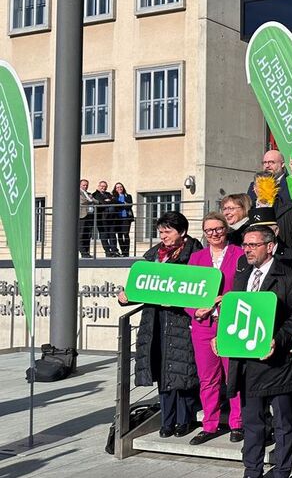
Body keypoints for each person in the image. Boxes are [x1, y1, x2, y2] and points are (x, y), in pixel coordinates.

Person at [227, 225, 292, 478]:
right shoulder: (243, 275)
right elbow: (235, 311)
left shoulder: (289, 276)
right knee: (252, 422)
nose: (247, 250)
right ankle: (251, 471)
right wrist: (223, 337)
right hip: (246, 363)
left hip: (277, 363)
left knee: (283, 423)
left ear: (270, 246)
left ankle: (282, 471)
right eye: (245, 245)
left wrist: (278, 339)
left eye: (253, 245)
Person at [117, 211, 203, 438]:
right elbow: (143, 287)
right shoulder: (155, 256)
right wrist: (126, 296)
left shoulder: (196, 254)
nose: (163, 236)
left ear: (182, 232)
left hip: (182, 320)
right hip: (156, 322)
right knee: (163, 372)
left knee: (183, 373)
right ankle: (167, 420)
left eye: (168, 231)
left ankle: (184, 419)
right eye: (160, 231)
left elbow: (200, 288)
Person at [185, 212, 246, 445]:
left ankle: (237, 423)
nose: (214, 233)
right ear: (204, 232)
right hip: (204, 325)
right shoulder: (197, 258)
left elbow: (248, 288)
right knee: (208, 378)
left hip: (230, 323)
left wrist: (227, 299)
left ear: (226, 229)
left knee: (233, 375)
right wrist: (194, 311)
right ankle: (209, 424)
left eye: (218, 228)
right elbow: (186, 294)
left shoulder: (240, 254)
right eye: (209, 230)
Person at [93, 180, 121, 257]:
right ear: (98, 187)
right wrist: (108, 201)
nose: (103, 188)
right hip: (102, 218)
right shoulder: (95, 194)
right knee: (104, 235)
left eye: (105, 187)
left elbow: (116, 201)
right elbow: (100, 202)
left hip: (111, 218)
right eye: (102, 186)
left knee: (112, 234)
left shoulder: (108, 194)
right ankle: (108, 252)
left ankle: (115, 251)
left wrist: (108, 201)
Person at [112, 182, 134, 257]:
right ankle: (122, 251)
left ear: (123, 187)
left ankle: (126, 251)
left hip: (126, 217)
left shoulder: (128, 196)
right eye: (117, 187)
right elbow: (115, 205)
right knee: (120, 234)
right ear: (115, 189)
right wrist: (124, 203)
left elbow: (129, 205)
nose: (119, 188)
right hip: (118, 218)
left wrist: (123, 205)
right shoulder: (114, 196)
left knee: (126, 234)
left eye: (120, 187)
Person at [79, 179, 95, 258]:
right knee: (81, 234)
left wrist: (90, 199)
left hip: (90, 215)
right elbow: (82, 201)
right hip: (82, 216)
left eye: (86, 185)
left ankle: (87, 252)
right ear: (80, 185)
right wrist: (90, 200)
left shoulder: (89, 193)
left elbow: (97, 201)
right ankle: (83, 252)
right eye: (84, 185)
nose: (85, 186)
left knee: (88, 235)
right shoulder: (77, 192)